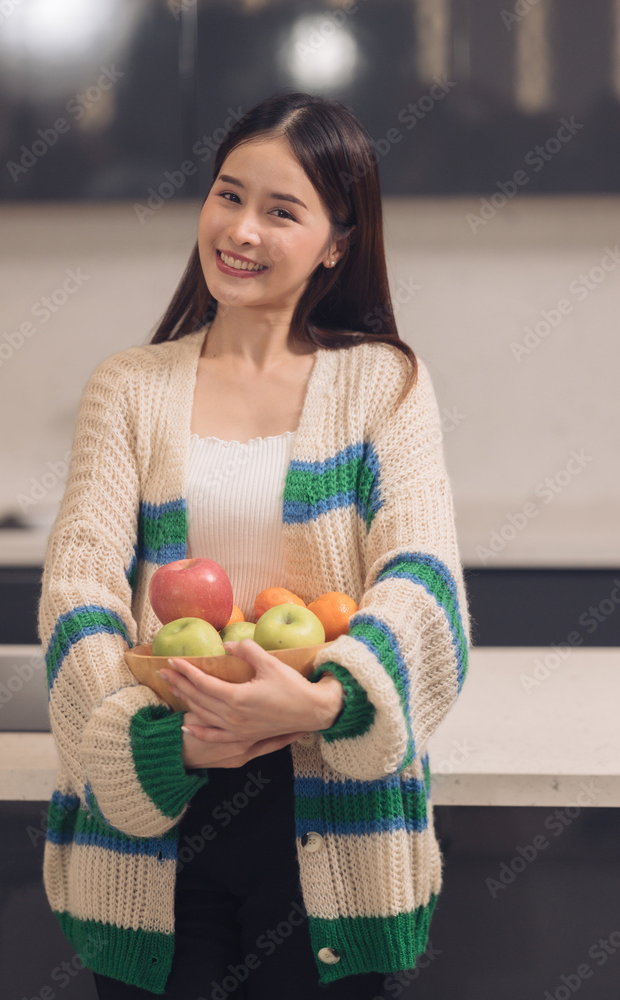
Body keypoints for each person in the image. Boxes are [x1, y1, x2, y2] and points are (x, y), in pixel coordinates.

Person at [37, 90, 472, 1000]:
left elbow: (421, 574)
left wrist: (327, 704)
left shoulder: (383, 384)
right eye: (228, 195)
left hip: (333, 815)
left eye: (282, 211)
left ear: (336, 243)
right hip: (155, 820)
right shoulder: (128, 388)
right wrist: (167, 744)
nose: (240, 229)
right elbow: (77, 585)